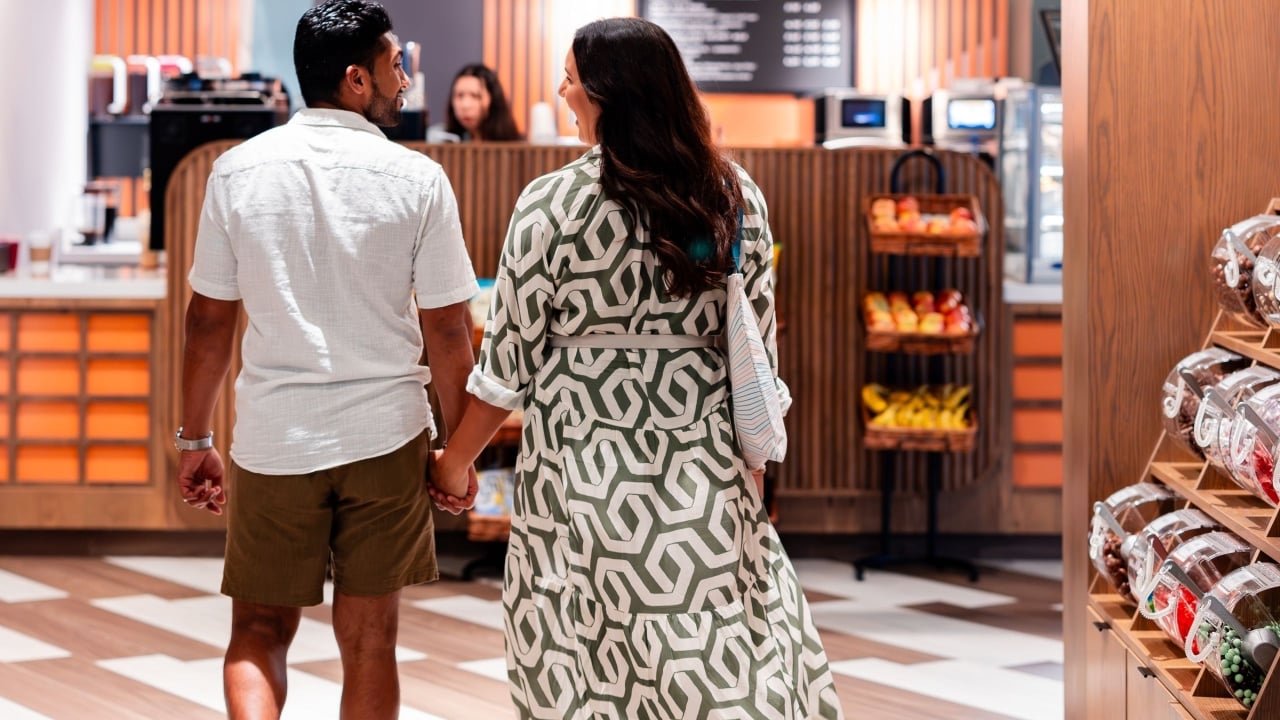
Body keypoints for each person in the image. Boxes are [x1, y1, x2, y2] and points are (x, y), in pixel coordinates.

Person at [429, 16, 844, 719]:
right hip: (701, 466)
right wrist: (754, 470)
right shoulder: (733, 196)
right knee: (709, 642)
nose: (560, 92)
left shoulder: (551, 204)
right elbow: (756, 354)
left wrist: (454, 463)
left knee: (579, 647)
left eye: (568, 78)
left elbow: (508, 364)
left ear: (604, 94)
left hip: (579, 471)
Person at [175, 1, 479, 718]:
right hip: (385, 438)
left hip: (276, 438)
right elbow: (447, 331)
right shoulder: (418, 179)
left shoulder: (237, 171)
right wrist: (456, 455)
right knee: (371, 640)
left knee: (257, 630)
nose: (404, 80)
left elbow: (209, 320)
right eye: (394, 65)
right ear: (355, 80)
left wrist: (195, 439)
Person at [442, 63, 524, 141]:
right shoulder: (440, 139)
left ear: (493, 100)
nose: (465, 105)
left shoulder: (517, 148)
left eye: (475, 96)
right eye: (460, 95)